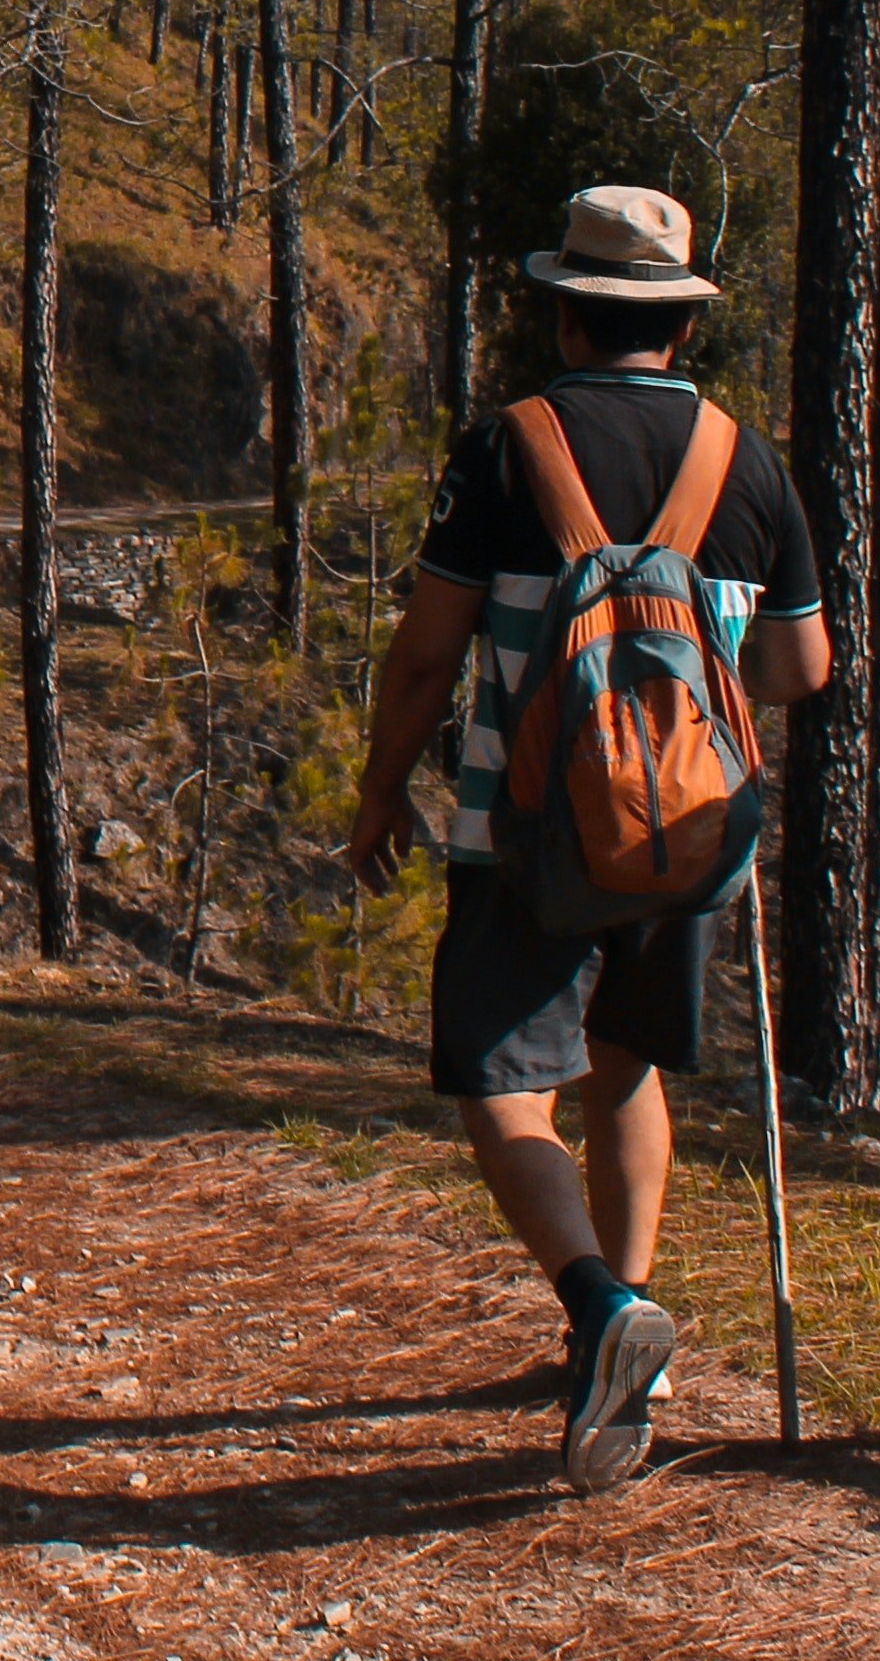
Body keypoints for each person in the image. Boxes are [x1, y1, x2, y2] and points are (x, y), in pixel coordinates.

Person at [347, 185, 831, 1493]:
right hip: (687, 830)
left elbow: (425, 653)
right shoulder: (749, 461)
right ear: (678, 322)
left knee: (507, 1090)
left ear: (567, 312)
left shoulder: (510, 449)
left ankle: (601, 1309)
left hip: (524, 830)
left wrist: (382, 785)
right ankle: (639, 1345)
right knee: (627, 1072)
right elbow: (800, 665)